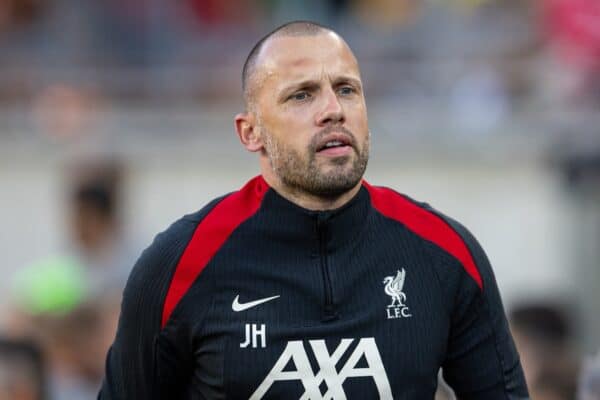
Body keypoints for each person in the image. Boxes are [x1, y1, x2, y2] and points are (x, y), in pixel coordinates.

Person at [99, 21, 530, 399]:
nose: (333, 111)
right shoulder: (178, 264)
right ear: (251, 133)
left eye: (346, 89)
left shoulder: (444, 253)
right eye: (301, 95)